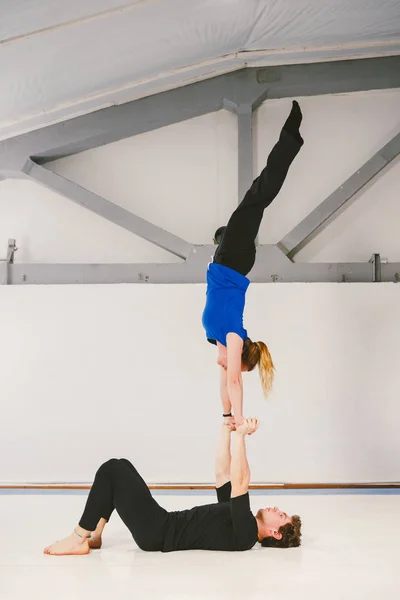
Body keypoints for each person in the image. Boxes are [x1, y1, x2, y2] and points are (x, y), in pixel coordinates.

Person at [43, 418, 301, 556]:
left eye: (280, 515)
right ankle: (94, 535)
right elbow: (223, 473)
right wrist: (226, 429)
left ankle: (78, 537)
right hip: (160, 527)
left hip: (158, 533)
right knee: (123, 465)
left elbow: (241, 480)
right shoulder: (239, 517)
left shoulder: (245, 534)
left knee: (113, 469)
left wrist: (242, 437)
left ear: (275, 533)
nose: (276, 508)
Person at [202, 101, 304, 425]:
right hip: (233, 260)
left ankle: (223, 235)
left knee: (237, 219)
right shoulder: (232, 334)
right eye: (235, 364)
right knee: (259, 196)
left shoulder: (216, 336)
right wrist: (243, 418)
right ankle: (291, 138)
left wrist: (227, 416)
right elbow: (234, 381)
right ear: (241, 353)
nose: (225, 366)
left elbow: (225, 386)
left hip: (228, 258)